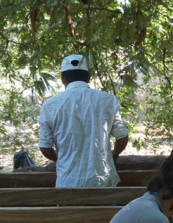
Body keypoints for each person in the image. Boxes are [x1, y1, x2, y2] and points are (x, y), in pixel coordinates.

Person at [38, 54, 129, 188]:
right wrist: (113, 155)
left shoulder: (50, 105)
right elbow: (122, 138)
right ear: (88, 77)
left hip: (68, 184)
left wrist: (61, 161)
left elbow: (45, 147)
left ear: (62, 78)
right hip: (102, 182)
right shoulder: (108, 100)